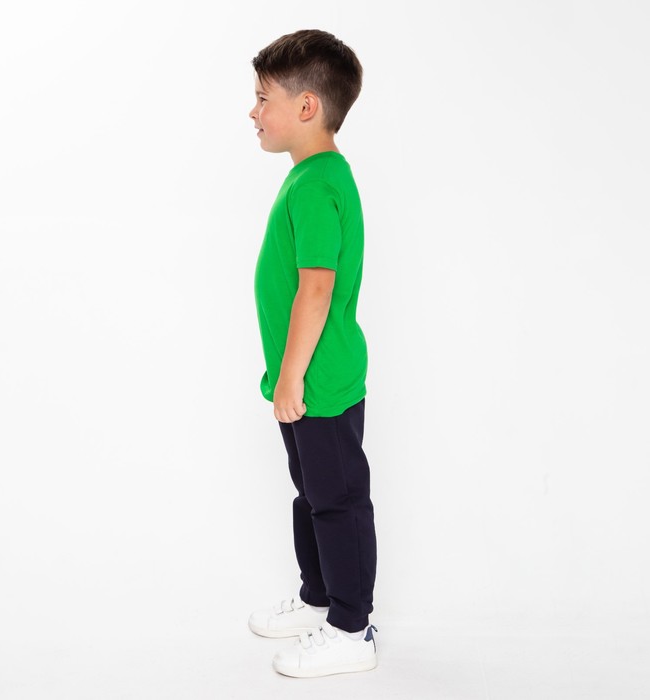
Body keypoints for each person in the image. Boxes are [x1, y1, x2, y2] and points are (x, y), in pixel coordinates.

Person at [247, 29, 378, 678]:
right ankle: (318, 597)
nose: (252, 111)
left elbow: (317, 287)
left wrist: (292, 375)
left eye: (262, 98)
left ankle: (352, 629)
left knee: (337, 502)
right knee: (311, 494)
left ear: (306, 107)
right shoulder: (311, 176)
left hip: (319, 381)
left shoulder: (317, 184)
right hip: (304, 379)